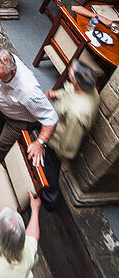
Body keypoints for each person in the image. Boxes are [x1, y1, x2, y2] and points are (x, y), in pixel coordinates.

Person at [0, 49, 57, 165]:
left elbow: (50, 118)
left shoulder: (29, 92)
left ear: (12, 72)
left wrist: (40, 142)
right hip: (2, 101)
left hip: (19, 118)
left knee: (5, 142)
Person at [42, 60, 99, 210]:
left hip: (57, 140)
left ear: (76, 81)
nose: (69, 73)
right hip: (58, 123)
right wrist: (56, 94)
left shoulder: (77, 112)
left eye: (72, 73)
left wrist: (63, 153)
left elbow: (70, 137)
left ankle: (50, 198)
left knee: (51, 167)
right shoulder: (89, 89)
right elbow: (70, 92)